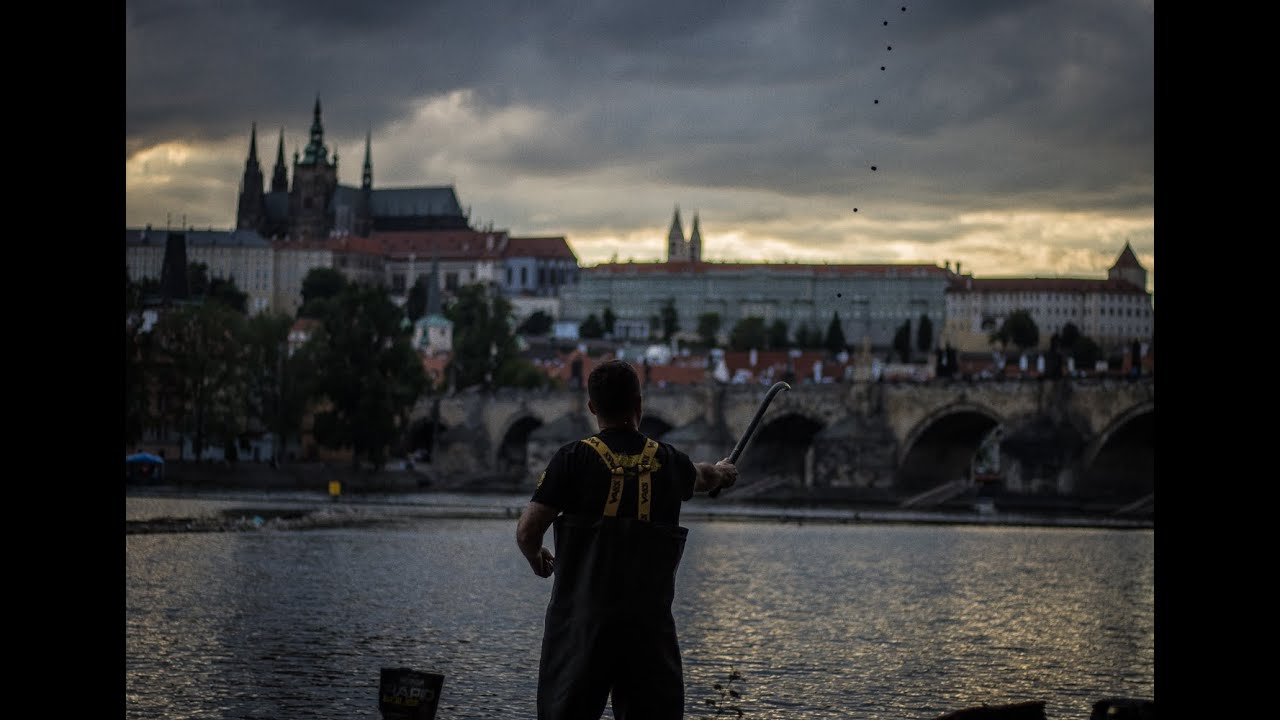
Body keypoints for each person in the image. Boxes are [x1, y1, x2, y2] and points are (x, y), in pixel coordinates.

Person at [516, 359, 738, 720]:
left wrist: (536, 557)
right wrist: (724, 473)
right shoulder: (669, 462)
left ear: (592, 408)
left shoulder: (572, 459)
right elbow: (705, 475)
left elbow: (527, 531)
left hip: (581, 627)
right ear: (640, 403)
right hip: (648, 630)